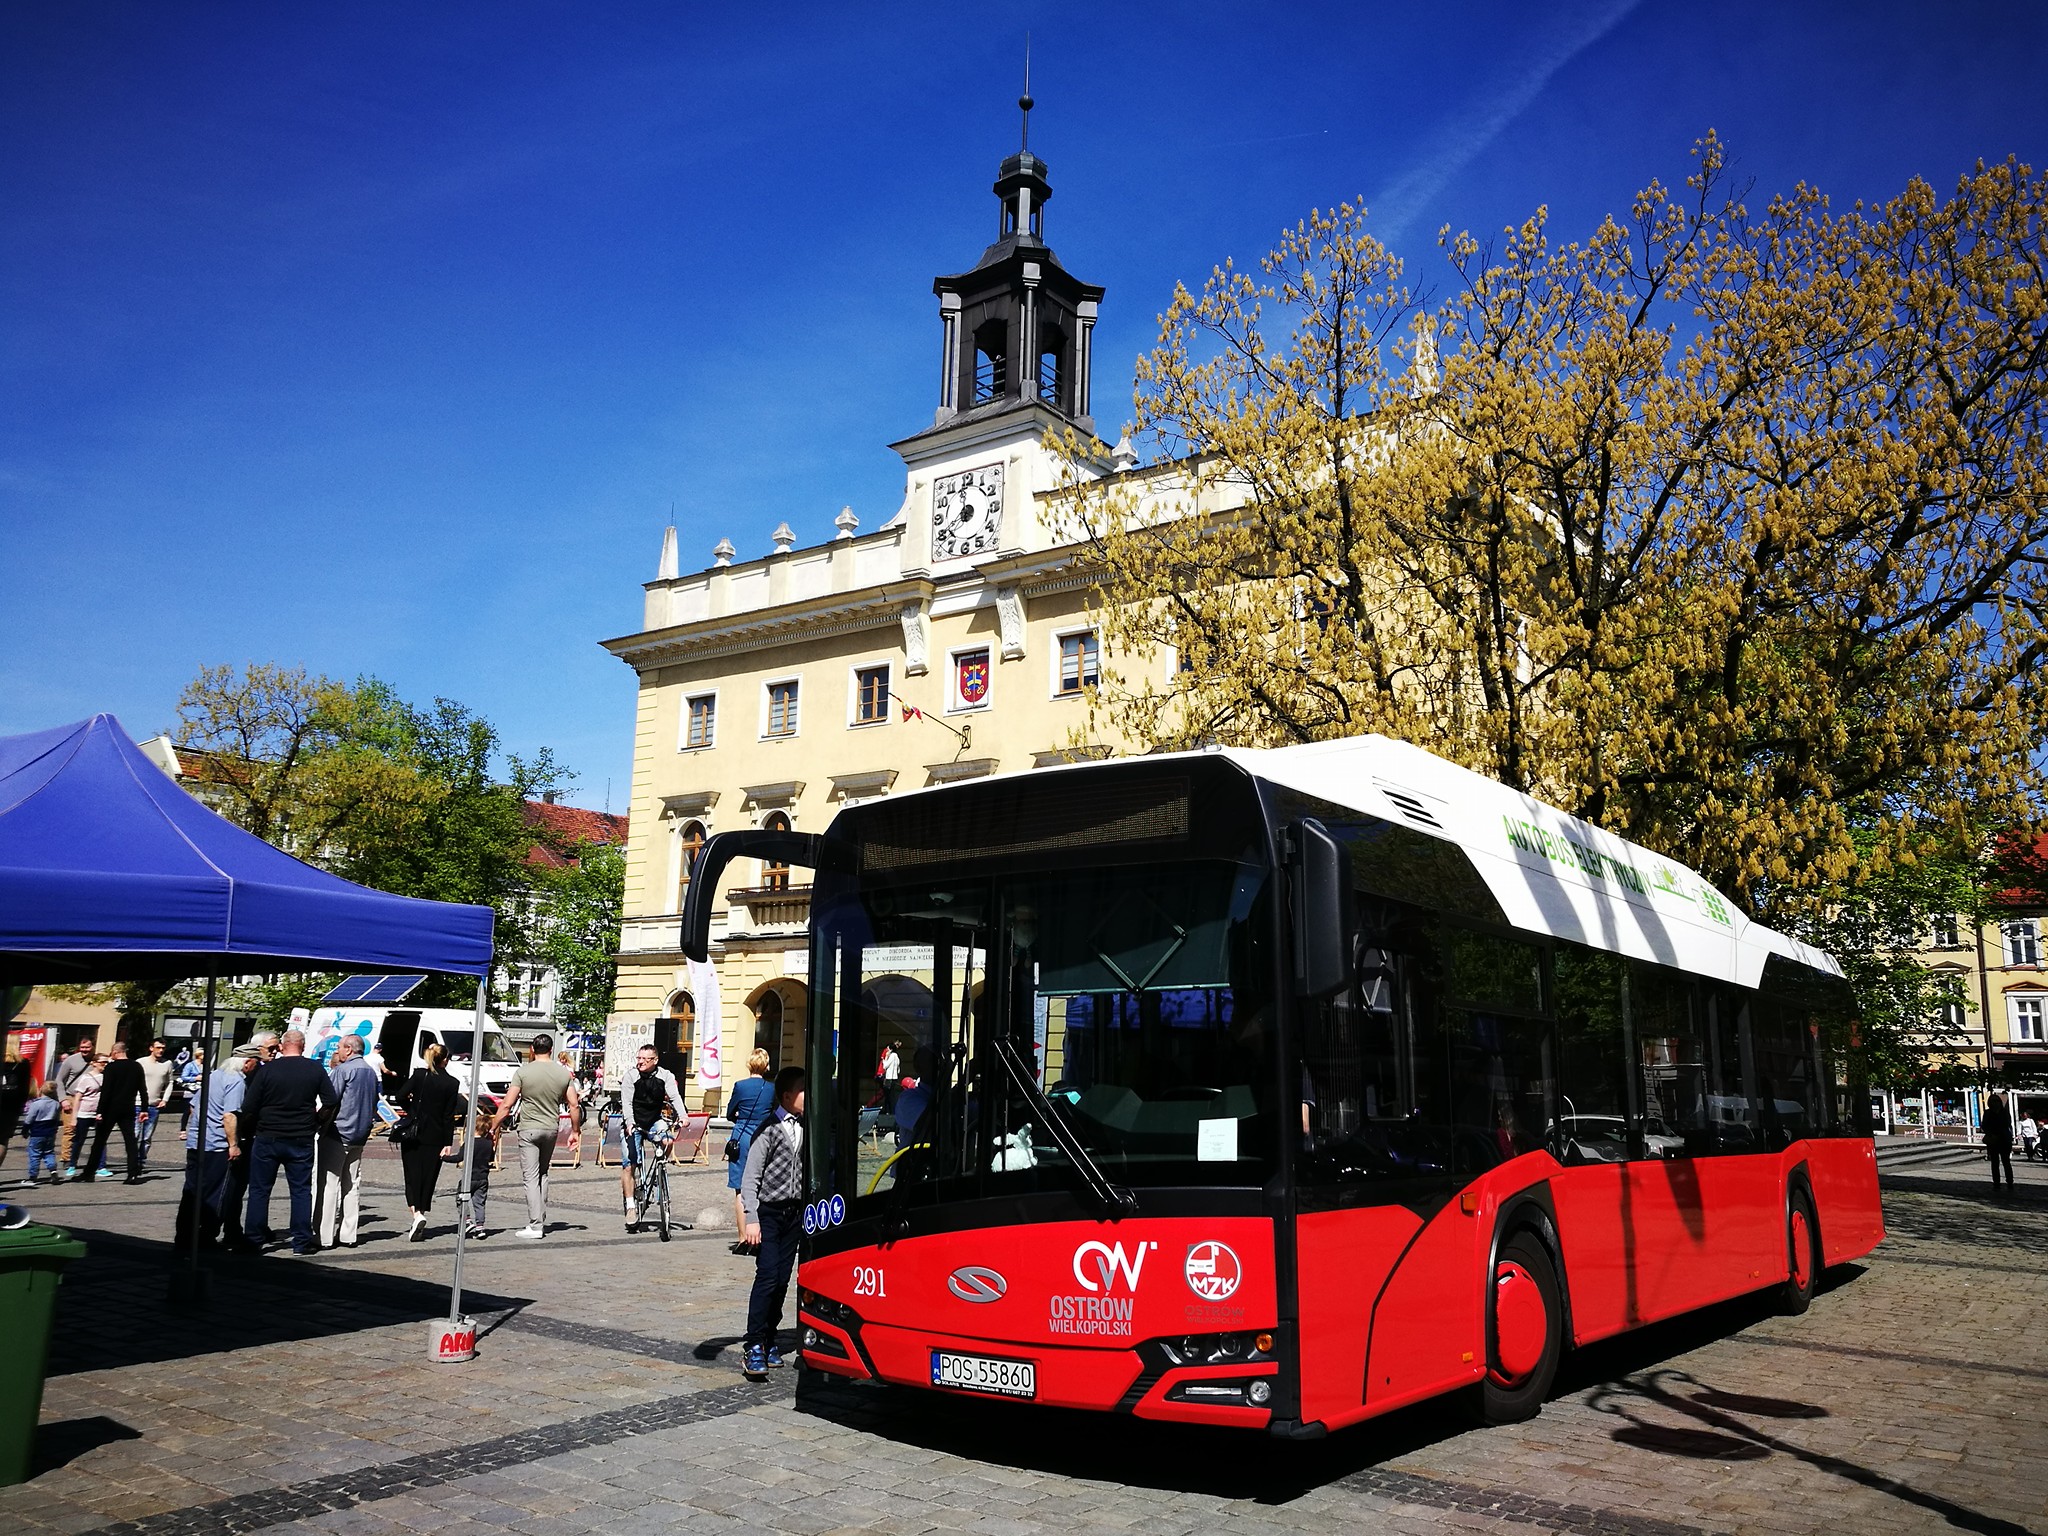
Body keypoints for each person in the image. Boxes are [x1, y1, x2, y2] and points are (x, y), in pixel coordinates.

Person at [240, 1028, 334, 1254]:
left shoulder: (268, 1070)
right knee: (300, 1190)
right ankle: (300, 1242)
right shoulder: (315, 1069)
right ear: (303, 1046)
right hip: (301, 1136)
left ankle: (254, 1239)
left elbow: (249, 1106)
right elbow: (331, 1101)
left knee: (260, 1190)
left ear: (282, 1046)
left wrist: (251, 1129)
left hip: (268, 1135)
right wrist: (317, 1121)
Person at [739, 1066, 807, 1381]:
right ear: (787, 1096)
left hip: (794, 1214)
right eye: (805, 1090)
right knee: (766, 1277)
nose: (810, 1096)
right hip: (768, 1214)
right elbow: (750, 1177)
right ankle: (753, 1343)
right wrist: (751, 1218)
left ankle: (769, 1338)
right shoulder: (767, 1129)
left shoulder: (807, 1127)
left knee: (782, 1279)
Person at [488, 1032, 579, 1241]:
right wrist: (575, 1131)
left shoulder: (523, 1072)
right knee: (543, 1173)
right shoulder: (563, 1074)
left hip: (528, 1128)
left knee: (530, 1176)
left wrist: (493, 1127)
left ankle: (535, 1224)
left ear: (532, 1049)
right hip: (550, 1128)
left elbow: (507, 1105)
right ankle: (540, 1216)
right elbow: (574, 1105)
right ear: (551, 1050)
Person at [178, 1044, 259, 1251]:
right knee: (217, 1193)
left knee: (192, 1191)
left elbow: (193, 1106)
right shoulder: (236, 1081)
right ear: (248, 1062)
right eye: (255, 1062)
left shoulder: (213, 1075)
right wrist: (233, 1145)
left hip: (196, 1142)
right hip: (217, 1145)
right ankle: (205, 1237)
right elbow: (229, 1115)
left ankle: (184, 1236)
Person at [317, 1033, 380, 1250]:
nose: (338, 1051)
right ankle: (348, 1234)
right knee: (352, 1184)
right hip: (360, 1134)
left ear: (349, 1049)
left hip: (339, 1131)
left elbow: (330, 1100)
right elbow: (374, 1103)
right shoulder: (370, 1072)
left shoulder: (343, 1070)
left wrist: (318, 1122)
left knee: (330, 1184)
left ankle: (324, 1236)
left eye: (340, 1047)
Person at [399, 1042, 465, 1241]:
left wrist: (411, 1110)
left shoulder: (420, 1075)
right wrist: (448, 1141)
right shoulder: (452, 1083)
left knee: (411, 1175)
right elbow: (448, 1115)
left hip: (413, 1132)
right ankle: (422, 1214)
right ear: (445, 1059)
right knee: (429, 1177)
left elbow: (400, 1095)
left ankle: (416, 1215)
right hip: (435, 1136)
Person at [617, 1043, 686, 1233]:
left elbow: (675, 1097)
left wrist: (684, 1116)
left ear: (655, 1061)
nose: (639, 1062)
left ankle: (659, 1169)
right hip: (634, 1122)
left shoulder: (665, 1076)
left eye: (644, 1059)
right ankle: (631, 1206)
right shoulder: (631, 1076)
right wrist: (629, 1123)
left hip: (654, 1120)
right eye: (638, 1058)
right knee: (629, 1164)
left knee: (668, 1140)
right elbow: (627, 1104)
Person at [724, 1049, 776, 1253]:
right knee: (761, 1185)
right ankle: (759, 1235)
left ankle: (743, 1238)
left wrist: (741, 1117)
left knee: (739, 1188)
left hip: (741, 1137)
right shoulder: (771, 1088)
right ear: (766, 1066)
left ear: (749, 1065)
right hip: (763, 1135)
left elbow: (729, 1113)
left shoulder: (740, 1086)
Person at [88, 1040, 147, 1183]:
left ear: (115, 1052)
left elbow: (106, 1091)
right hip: (128, 1107)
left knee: (99, 1141)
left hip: (110, 1108)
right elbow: (143, 1089)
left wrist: (100, 1111)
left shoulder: (111, 1068)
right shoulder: (136, 1066)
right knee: (130, 1141)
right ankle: (132, 1173)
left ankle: (88, 1173)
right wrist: (144, 1109)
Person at [457, 1094, 498, 1240]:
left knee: (461, 1198)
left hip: (469, 1177)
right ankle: (480, 1227)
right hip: (483, 1178)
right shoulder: (488, 1144)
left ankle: (467, 1221)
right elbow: (492, 1159)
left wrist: (443, 1157)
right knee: (479, 1203)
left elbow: (459, 1158)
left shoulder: (468, 1143)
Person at [62, 1053, 108, 1181]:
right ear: (94, 1063)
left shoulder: (107, 1077)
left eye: (106, 1062)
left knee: (101, 1141)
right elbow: (77, 1098)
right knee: (79, 1140)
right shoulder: (85, 1078)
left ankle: (101, 1166)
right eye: (102, 1062)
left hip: (99, 1113)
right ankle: (72, 1164)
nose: (104, 1065)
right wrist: (74, 1117)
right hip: (84, 1113)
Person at [135, 1038, 177, 1169]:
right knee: (134, 1134)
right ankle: (132, 1161)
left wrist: (165, 1099)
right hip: (137, 1103)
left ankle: (141, 1161)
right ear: (151, 1048)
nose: (161, 1050)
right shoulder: (140, 1062)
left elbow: (170, 1082)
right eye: (158, 1047)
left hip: (154, 1105)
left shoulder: (167, 1064)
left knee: (146, 1137)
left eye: (163, 1048)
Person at [52, 1040, 91, 1166]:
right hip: (71, 1097)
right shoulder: (71, 1060)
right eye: (82, 1047)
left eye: (87, 1047)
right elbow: (59, 1080)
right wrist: (63, 1099)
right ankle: (66, 1158)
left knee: (84, 1131)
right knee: (70, 1129)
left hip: (88, 1099)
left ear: (93, 1047)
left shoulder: (97, 1061)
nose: (84, 1050)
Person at [20, 1085, 61, 1185]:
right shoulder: (56, 1104)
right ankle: (53, 1171)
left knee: (35, 1154)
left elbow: (29, 1119)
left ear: (41, 1090)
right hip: (50, 1132)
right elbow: (57, 1119)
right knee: (49, 1152)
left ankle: (33, 1177)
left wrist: (25, 1130)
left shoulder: (36, 1104)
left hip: (37, 1132)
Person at [0, 1052, 28, 1179]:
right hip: (11, 1107)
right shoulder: (22, 1063)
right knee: (2, 1141)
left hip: (9, 1105)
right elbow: (24, 1088)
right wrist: (20, 1107)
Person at [1984, 1087, 2015, 1193]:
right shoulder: (1987, 1113)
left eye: (1996, 1101)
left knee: (2006, 1162)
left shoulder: (2004, 1113)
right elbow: (1984, 1125)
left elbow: (2007, 1124)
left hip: (2004, 1140)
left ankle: (2010, 1182)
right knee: (1995, 1163)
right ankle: (1996, 1183)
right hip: (1993, 1140)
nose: (1995, 1103)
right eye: (1992, 1101)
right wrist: (1991, 1134)